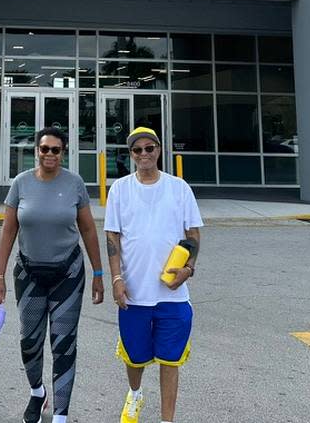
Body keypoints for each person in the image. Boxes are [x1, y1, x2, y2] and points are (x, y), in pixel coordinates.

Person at [0, 127, 105, 423]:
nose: (50, 154)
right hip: (28, 273)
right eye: (45, 149)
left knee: (63, 344)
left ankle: (60, 415)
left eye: (55, 150)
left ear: (63, 152)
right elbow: (7, 231)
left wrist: (98, 271)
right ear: (37, 152)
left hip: (68, 273)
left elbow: (89, 229)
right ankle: (37, 392)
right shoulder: (21, 183)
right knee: (30, 340)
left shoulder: (74, 183)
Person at [105, 126, 203, 423]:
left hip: (172, 293)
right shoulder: (120, 189)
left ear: (159, 150)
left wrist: (188, 269)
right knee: (135, 357)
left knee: (170, 359)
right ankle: (135, 394)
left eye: (150, 148)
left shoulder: (179, 187)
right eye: (138, 150)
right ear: (131, 155)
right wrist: (116, 279)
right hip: (134, 293)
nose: (144, 154)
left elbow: (193, 234)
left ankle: (166, 420)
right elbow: (112, 236)